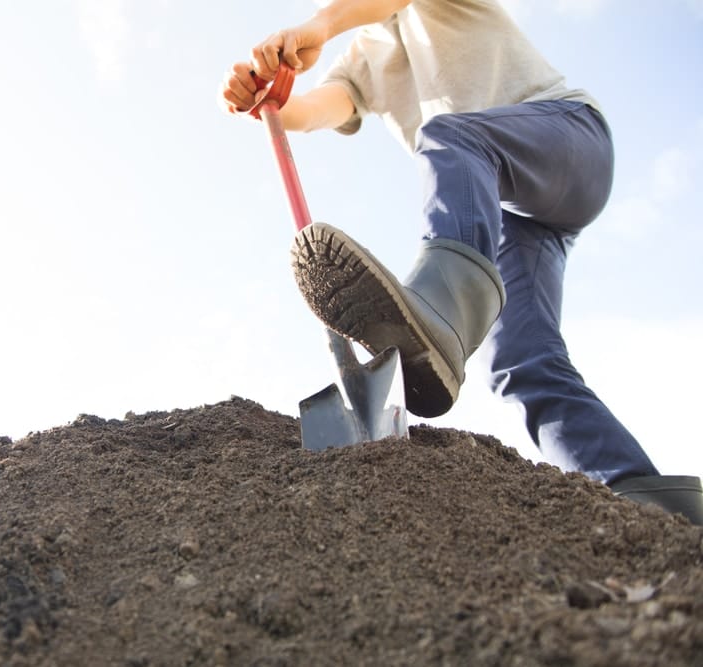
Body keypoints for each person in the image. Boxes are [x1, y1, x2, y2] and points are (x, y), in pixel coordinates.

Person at [219, 0, 703, 524]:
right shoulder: (365, 59)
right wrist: (268, 98)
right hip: (519, 216)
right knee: (519, 360)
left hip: (571, 142)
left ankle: (444, 314)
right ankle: (645, 502)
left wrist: (319, 25)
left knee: (450, 136)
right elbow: (313, 110)